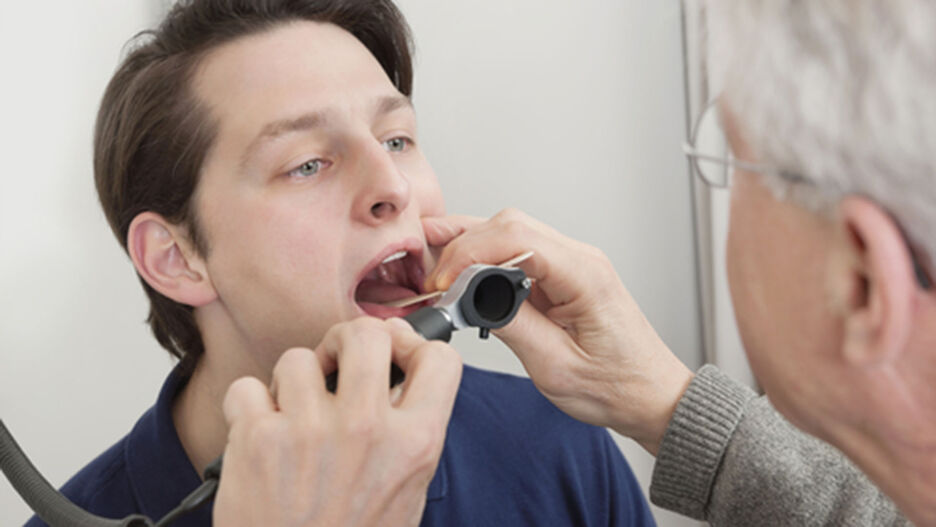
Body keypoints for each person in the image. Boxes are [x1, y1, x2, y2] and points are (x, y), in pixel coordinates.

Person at [24, 1, 656, 526]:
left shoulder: (557, 448)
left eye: (397, 140)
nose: (393, 187)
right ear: (177, 258)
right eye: (307, 164)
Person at [422, 0, 935, 525]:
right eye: (326, 163)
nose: (391, 189)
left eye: (734, 161)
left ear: (861, 284)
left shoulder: (556, 446)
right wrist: (659, 400)